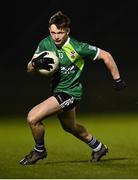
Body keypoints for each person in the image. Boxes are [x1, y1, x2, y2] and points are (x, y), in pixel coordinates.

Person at [19, 11, 126, 165]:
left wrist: (117, 79)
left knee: (33, 118)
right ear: (49, 30)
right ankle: (99, 147)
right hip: (59, 91)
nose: (56, 36)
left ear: (67, 31)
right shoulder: (45, 44)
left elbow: (106, 55)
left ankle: (39, 150)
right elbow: (29, 69)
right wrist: (35, 64)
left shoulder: (77, 47)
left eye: (60, 32)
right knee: (70, 127)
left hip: (71, 93)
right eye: (53, 32)